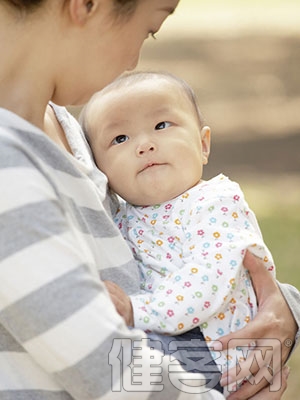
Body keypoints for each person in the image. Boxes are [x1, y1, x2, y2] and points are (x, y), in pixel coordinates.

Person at [0, 1, 297, 399]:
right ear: (87, 5)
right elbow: (107, 367)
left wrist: (283, 312)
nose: (134, 60)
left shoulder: (71, 132)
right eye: (149, 29)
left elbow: (167, 258)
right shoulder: (10, 163)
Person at [78, 70, 286, 395]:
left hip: (216, 348)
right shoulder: (121, 219)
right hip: (174, 341)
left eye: (162, 126)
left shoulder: (215, 203)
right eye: (120, 139)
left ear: (203, 145)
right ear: (101, 170)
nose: (145, 145)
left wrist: (137, 310)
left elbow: (207, 279)